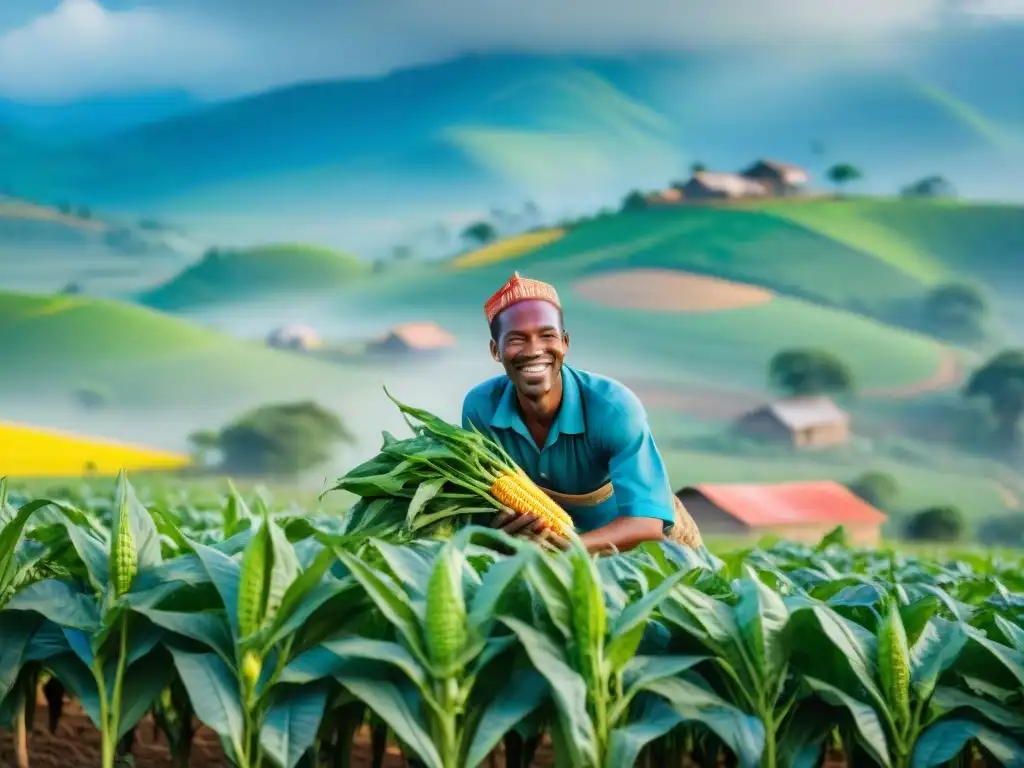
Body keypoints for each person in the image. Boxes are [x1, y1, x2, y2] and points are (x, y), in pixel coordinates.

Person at [461, 271, 702, 554]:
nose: (534, 350)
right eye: (516, 340)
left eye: (547, 336)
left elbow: (646, 525)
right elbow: (483, 505)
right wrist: (497, 530)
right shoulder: (480, 409)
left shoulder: (613, 408)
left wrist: (567, 548)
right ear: (495, 350)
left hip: (633, 547)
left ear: (564, 343)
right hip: (540, 553)